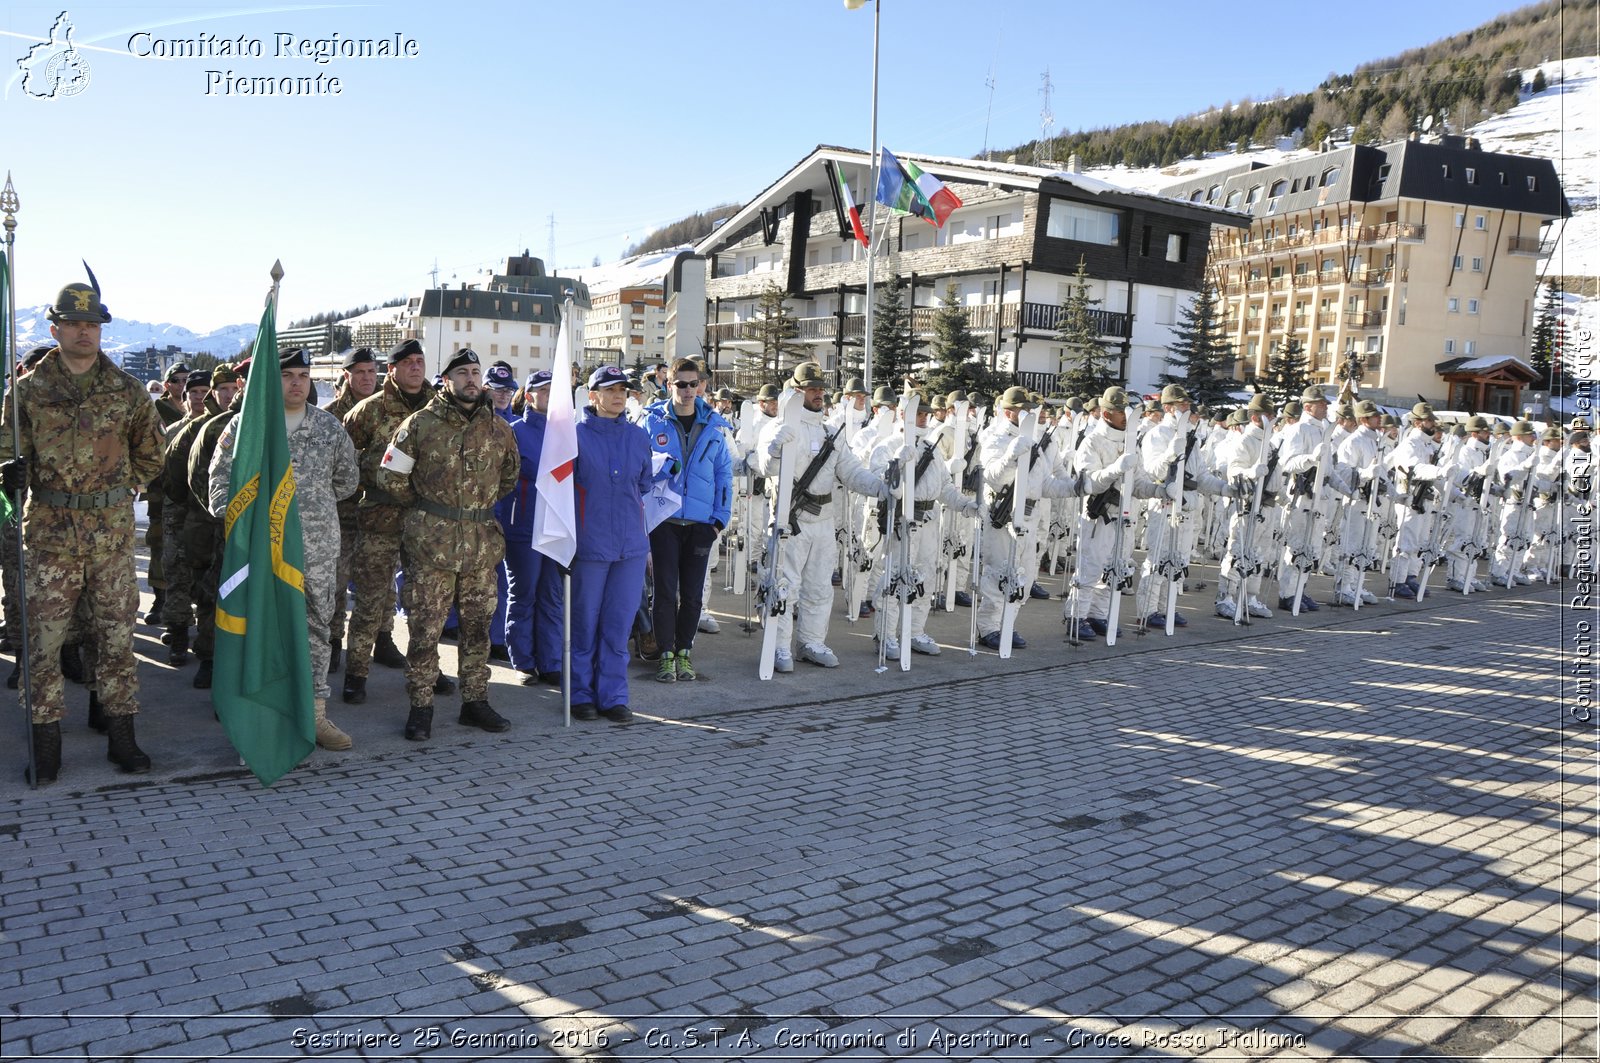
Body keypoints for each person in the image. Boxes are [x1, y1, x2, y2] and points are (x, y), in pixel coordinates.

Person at [0, 280, 164, 783]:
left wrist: (122, 488)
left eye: (92, 325)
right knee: (44, 646)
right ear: (56, 329)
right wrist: (10, 473)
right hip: (49, 536)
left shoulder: (127, 390)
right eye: (74, 324)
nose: (84, 332)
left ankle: (122, 739)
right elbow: (4, 451)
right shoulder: (27, 391)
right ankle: (46, 746)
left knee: (116, 640)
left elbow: (152, 453)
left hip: (111, 540)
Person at [210, 349, 360, 749]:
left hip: (315, 551)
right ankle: (262, 717)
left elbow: (347, 481)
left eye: (304, 375)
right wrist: (246, 528)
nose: (297, 383)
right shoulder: (247, 427)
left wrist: (311, 511)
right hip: (261, 552)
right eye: (287, 375)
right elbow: (220, 484)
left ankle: (314, 716)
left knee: (315, 629)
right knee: (262, 628)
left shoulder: (329, 428)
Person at [378, 348, 519, 741]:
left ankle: (475, 702)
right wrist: (429, 512)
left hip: (480, 547)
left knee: (478, 630)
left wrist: (472, 509)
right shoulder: (419, 425)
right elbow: (390, 478)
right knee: (425, 632)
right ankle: (421, 706)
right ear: (446, 380)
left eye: (475, 372)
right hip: (430, 548)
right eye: (462, 373)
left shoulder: (499, 429)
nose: (471, 379)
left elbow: (509, 478)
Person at [754, 361, 889, 671]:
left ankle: (811, 642)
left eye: (820, 389)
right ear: (797, 391)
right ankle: (778, 647)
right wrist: (774, 449)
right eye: (811, 389)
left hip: (824, 520)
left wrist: (882, 488)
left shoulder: (832, 432)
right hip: (791, 518)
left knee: (819, 587)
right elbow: (765, 467)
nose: (818, 394)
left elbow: (852, 471)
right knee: (784, 585)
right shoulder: (778, 426)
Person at [341, 338, 436, 704]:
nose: (415, 367)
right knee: (370, 600)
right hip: (379, 518)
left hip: (427, 521)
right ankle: (357, 673)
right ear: (392, 369)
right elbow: (343, 460)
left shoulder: (438, 408)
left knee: (425, 603)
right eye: (407, 362)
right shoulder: (369, 410)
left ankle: (427, 672)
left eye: (420, 361)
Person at [566, 365, 658, 719]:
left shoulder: (637, 437)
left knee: (618, 625)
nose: (619, 396)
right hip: (590, 546)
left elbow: (644, 484)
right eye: (610, 389)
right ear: (593, 396)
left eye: (623, 389)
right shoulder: (574, 437)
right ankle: (581, 695)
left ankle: (614, 695)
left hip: (630, 548)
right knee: (585, 624)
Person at [643, 357, 733, 683]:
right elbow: (640, 469)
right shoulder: (652, 422)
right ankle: (665, 655)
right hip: (664, 522)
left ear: (701, 386)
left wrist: (718, 521)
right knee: (665, 592)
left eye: (693, 384)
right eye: (680, 384)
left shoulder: (713, 426)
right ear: (669, 385)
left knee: (693, 595)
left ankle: (685, 652)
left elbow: (725, 476)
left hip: (700, 525)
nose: (687, 390)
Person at [503, 370, 564, 686]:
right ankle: (524, 662)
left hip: (556, 525)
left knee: (551, 594)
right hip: (522, 525)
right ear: (529, 396)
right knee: (524, 593)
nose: (551, 395)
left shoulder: (566, 434)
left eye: (556, 390)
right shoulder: (513, 432)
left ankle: (551, 661)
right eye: (545, 390)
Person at [324, 347, 379, 673]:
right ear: (347, 375)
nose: (368, 378)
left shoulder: (385, 410)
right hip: (341, 516)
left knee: (379, 588)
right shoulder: (329, 415)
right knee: (335, 584)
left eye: (372, 371)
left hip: (376, 514)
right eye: (360, 372)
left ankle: (380, 640)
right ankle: (332, 643)